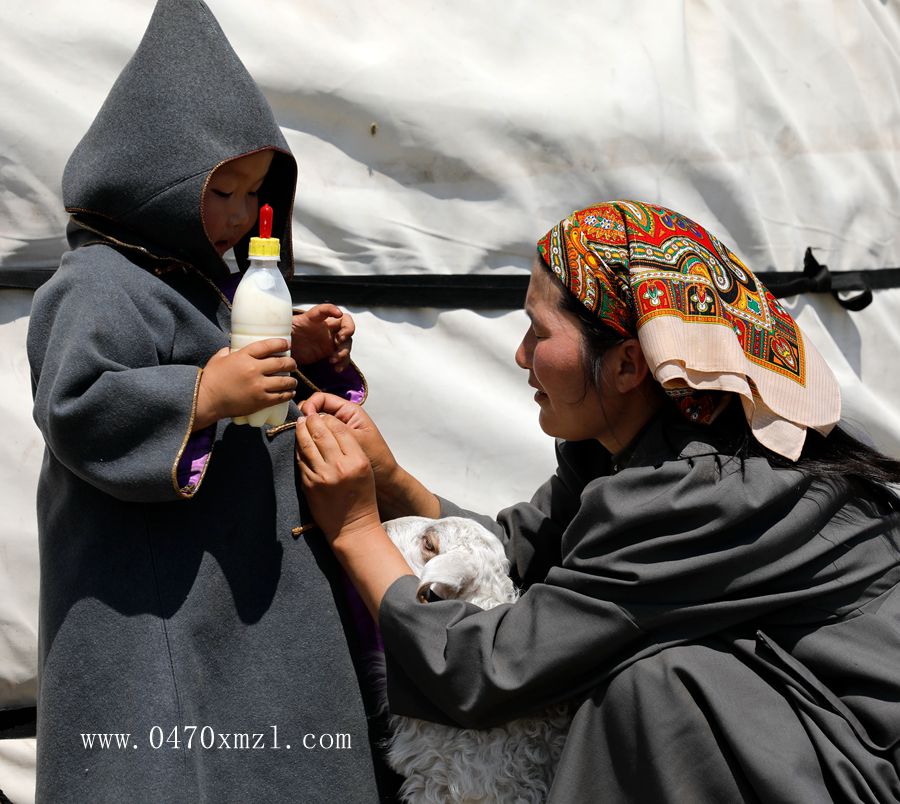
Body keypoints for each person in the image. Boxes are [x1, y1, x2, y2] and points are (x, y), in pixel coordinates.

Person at [296, 200, 900, 802]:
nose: (521, 354)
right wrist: (390, 480)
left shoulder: (703, 493)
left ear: (628, 364)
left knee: (654, 688)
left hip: (857, 762)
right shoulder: (633, 450)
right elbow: (519, 556)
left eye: (539, 332)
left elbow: (491, 670)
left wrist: (355, 528)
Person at [27, 2, 391, 801]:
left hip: (237, 596)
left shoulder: (200, 282)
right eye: (220, 190)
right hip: (153, 606)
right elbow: (74, 404)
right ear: (148, 175)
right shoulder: (96, 283)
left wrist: (293, 351)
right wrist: (203, 394)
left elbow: (231, 366)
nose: (237, 215)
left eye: (252, 193)